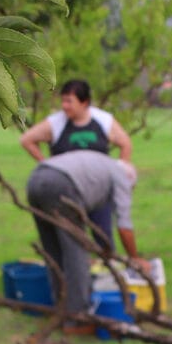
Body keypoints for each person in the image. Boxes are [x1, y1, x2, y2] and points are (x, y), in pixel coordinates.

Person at [25, 149, 150, 326]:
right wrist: (135, 258)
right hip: (62, 185)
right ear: (131, 180)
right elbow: (124, 225)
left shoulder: (101, 168)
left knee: (53, 250)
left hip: (35, 180)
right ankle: (77, 318)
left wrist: (105, 251)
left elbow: (98, 221)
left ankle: (60, 310)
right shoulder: (122, 177)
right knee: (76, 253)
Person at [19, 79, 134, 250]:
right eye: (63, 100)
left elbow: (125, 143)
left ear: (84, 102)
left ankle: (108, 263)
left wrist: (118, 171)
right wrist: (47, 164)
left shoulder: (103, 120)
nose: (64, 106)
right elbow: (27, 140)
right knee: (71, 237)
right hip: (69, 188)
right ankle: (79, 267)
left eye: (69, 101)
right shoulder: (56, 123)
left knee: (103, 233)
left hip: (97, 187)